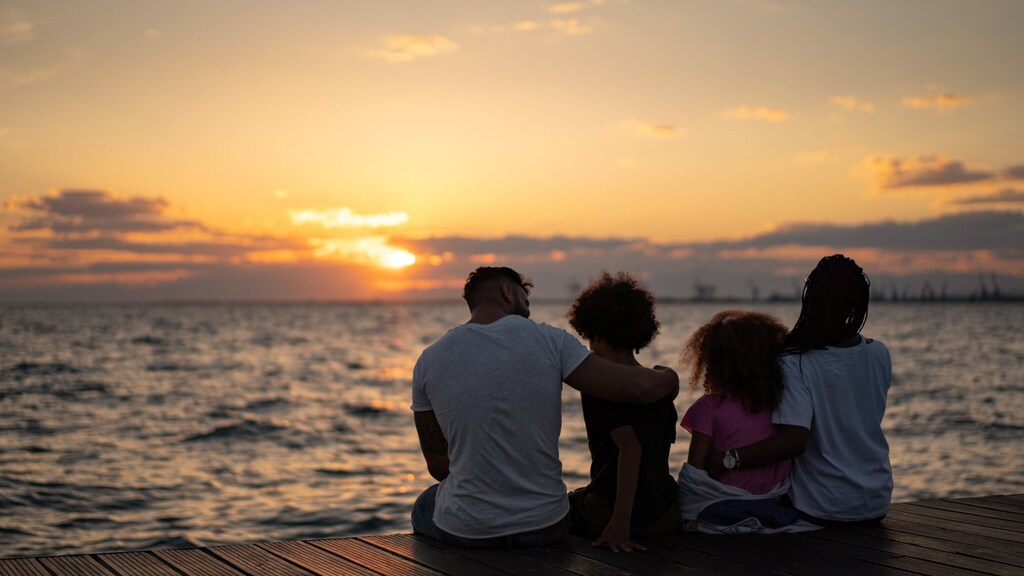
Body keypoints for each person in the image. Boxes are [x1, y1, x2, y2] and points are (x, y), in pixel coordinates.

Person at [410, 266, 679, 548]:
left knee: (425, 505)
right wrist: (670, 377)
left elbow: (440, 468)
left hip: (470, 530)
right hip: (547, 526)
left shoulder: (428, 360)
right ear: (507, 292)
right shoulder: (550, 340)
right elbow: (637, 388)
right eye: (525, 304)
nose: (528, 313)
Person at [705, 254, 893, 526]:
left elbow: (794, 441)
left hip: (822, 506)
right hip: (876, 501)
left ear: (812, 300)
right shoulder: (879, 353)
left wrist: (726, 460)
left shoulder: (796, 362)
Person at [565, 272, 680, 552]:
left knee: (559, 505)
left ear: (597, 334)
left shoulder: (599, 388)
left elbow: (631, 450)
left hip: (616, 512)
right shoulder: (661, 384)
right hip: (664, 514)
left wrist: (620, 523)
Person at [677, 310, 816, 533]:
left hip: (721, 507)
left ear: (713, 362)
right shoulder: (779, 407)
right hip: (772, 507)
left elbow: (695, 474)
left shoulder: (707, 407)